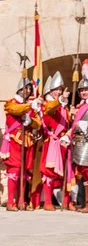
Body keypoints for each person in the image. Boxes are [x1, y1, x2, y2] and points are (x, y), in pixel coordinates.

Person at [61, 60, 88, 213]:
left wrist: (83, 124)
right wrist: (67, 136)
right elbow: (74, 125)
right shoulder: (81, 106)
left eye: (86, 89)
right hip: (80, 143)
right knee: (85, 173)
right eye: (82, 90)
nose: (84, 92)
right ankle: (87, 203)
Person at [1, 78, 42, 211]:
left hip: (27, 140)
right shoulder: (10, 103)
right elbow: (15, 110)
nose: (28, 91)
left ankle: (21, 201)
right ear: (19, 89)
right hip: (14, 140)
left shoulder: (30, 105)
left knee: (24, 172)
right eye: (25, 88)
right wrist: (30, 106)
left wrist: (30, 120)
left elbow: (38, 123)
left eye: (29, 89)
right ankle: (10, 202)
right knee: (15, 170)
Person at [39, 72, 71, 211]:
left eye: (60, 89)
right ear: (51, 91)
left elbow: (68, 124)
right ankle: (47, 201)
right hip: (51, 141)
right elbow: (49, 109)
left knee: (63, 172)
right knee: (48, 172)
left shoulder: (65, 107)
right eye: (56, 90)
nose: (58, 92)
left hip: (63, 142)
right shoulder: (48, 104)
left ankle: (65, 201)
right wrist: (60, 100)